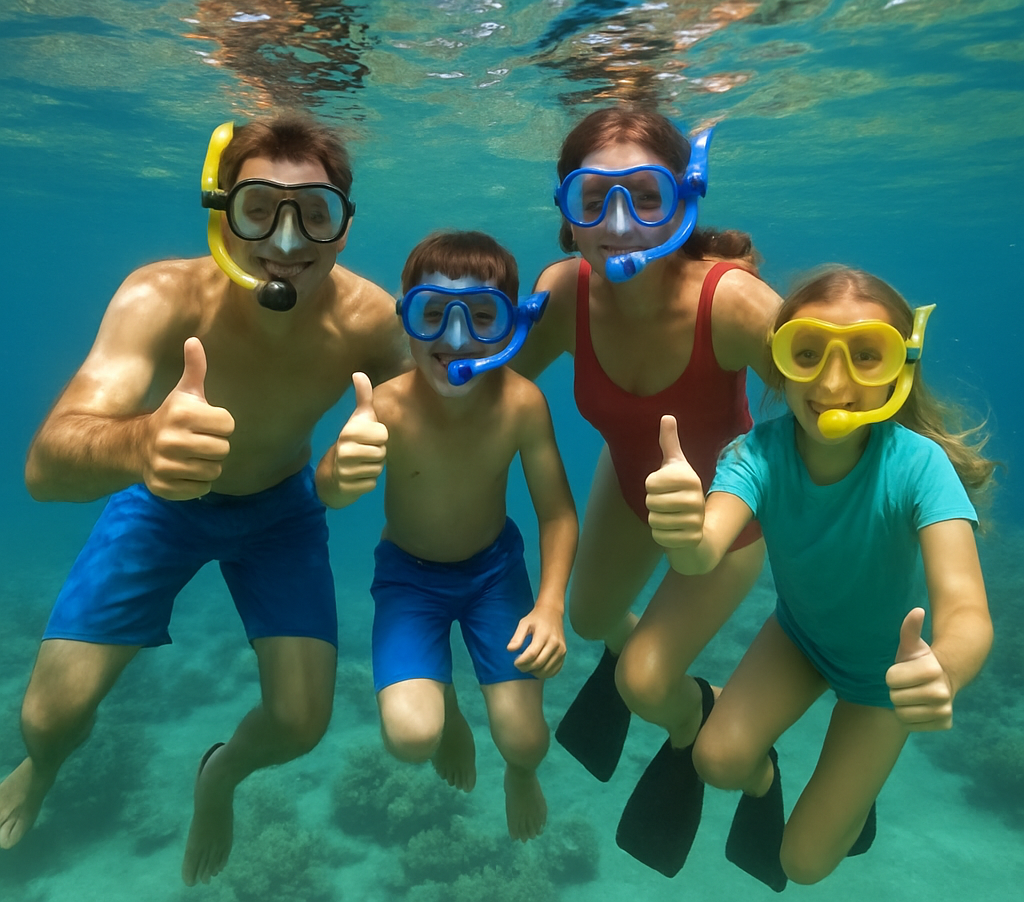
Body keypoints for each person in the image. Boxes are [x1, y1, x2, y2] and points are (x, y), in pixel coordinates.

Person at [0, 114, 409, 886]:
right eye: (260, 208)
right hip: (158, 501)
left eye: (315, 214)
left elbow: (447, 426)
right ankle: (42, 769)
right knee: (48, 720)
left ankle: (219, 775)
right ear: (222, 211)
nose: (286, 242)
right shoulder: (159, 294)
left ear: (344, 231)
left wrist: (354, 465)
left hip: (282, 513)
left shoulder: (373, 321)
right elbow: (44, 469)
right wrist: (142, 444)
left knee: (299, 724)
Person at [651, 266, 994, 890]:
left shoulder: (922, 467)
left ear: (901, 367)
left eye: (867, 355)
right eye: (807, 352)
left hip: (885, 679)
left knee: (802, 865)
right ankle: (771, 776)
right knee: (717, 762)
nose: (833, 382)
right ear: (779, 362)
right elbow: (703, 552)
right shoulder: (756, 453)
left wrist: (943, 670)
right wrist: (681, 527)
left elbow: (967, 609)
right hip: (799, 640)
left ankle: (849, 800)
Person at [512, 106, 781, 876]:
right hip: (627, 488)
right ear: (566, 212)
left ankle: (704, 725)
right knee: (592, 616)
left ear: (685, 201)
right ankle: (683, 687)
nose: (619, 222)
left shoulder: (730, 302)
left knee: (640, 682)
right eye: (593, 199)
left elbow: (834, 409)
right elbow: (490, 389)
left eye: (646, 197)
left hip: (725, 528)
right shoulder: (563, 293)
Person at [318, 230, 578, 842]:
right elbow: (324, 490)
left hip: (495, 575)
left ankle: (518, 774)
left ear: (511, 327)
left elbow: (558, 514)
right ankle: (450, 708)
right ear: (405, 317)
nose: (455, 338)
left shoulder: (521, 403)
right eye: (432, 313)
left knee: (526, 743)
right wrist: (340, 470)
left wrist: (550, 605)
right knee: (413, 739)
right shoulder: (383, 405)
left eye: (482, 317)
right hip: (409, 578)